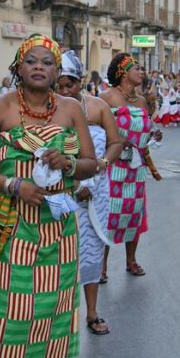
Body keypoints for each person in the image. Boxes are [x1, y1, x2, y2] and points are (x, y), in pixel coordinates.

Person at [0, 34, 97, 358]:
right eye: (31, 61)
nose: (39, 67)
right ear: (18, 68)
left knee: (57, 308)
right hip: (12, 227)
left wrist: (70, 165)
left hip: (59, 228)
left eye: (48, 62)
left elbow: (91, 162)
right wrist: (13, 186)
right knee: (8, 309)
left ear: (58, 72)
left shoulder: (73, 109)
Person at [55, 51, 122, 336]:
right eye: (58, 85)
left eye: (68, 84)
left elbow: (115, 143)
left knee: (91, 249)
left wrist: (100, 166)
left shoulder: (98, 107)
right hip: (61, 193)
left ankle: (92, 312)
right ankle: (61, 316)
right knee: (59, 253)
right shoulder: (49, 109)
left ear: (80, 81)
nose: (63, 90)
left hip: (96, 192)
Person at [99, 54, 161, 277]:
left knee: (134, 214)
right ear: (123, 72)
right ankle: (102, 266)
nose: (141, 72)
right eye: (137, 68)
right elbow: (95, 132)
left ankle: (131, 260)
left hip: (135, 168)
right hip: (113, 167)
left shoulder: (142, 101)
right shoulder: (106, 98)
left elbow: (145, 128)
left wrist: (154, 134)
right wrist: (115, 139)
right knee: (109, 215)